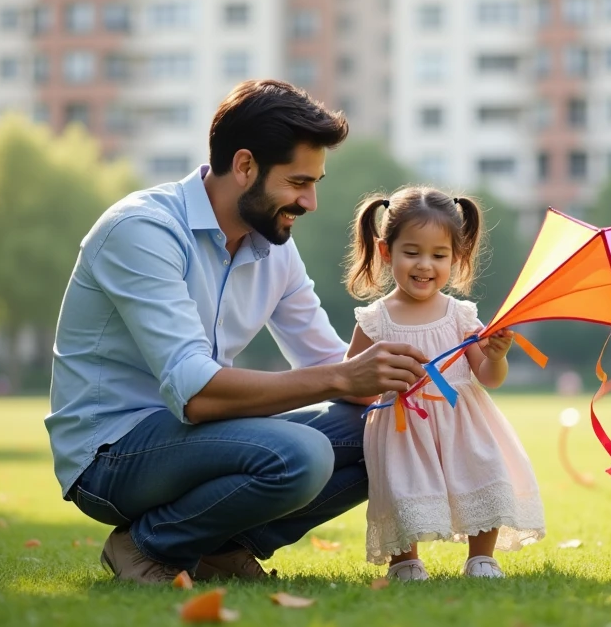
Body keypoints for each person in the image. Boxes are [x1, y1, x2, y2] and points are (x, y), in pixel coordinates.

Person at [45, 80, 430, 585]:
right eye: (298, 182)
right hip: (110, 455)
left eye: (314, 182)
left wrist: (429, 375)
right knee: (302, 455)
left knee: (383, 433)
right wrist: (344, 378)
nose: (310, 201)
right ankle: (144, 544)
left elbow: (327, 362)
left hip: (197, 439)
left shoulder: (274, 247)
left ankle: (220, 550)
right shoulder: (141, 230)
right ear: (245, 166)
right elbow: (198, 394)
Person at [345, 187, 545, 580]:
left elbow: (488, 377)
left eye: (439, 255)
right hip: (404, 427)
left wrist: (496, 355)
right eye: (412, 252)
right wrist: (380, 381)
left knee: (482, 473)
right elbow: (353, 379)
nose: (425, 265)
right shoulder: (375, 320)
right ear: (387, 252)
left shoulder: (460, 315)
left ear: (456, 258)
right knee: (405, 487)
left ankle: (482, 557)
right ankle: (406, 560)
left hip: (462, 419)